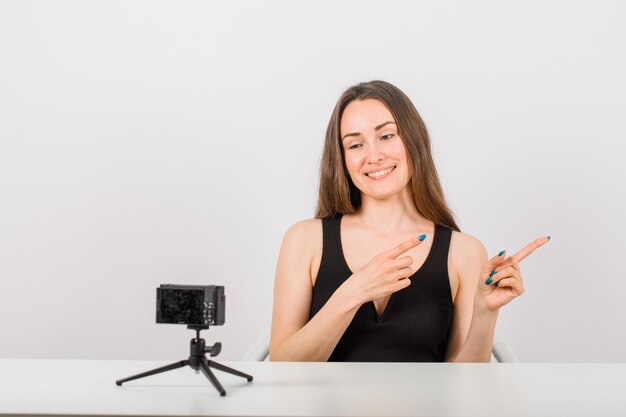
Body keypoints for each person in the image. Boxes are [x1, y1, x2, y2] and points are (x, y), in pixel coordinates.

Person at [269, 80, 548, 362]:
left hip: (425, 409)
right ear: (342, 159)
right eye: (355, 144)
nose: (374, 156)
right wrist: (353, 292)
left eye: (387, 136)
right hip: (323, 409)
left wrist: (485, 313)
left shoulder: (464, 252)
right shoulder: (304, 240)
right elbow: (283, 367)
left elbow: (466, 387)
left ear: (413, 139)